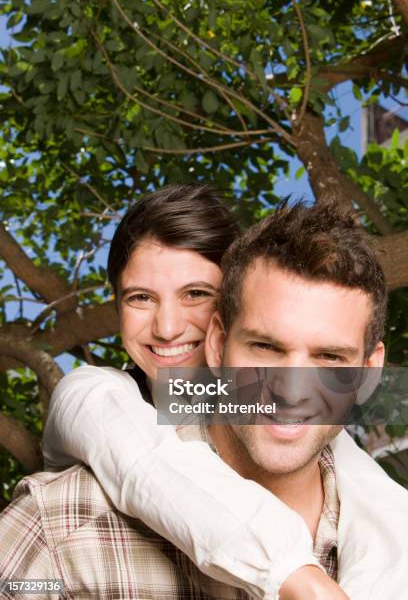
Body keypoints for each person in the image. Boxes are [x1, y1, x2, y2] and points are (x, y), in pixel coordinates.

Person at [0, 188, 401, 597]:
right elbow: (138, 459)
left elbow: (377, 500)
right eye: (140, 297)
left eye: (195, 294)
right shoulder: (95, 414)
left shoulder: (356, 485)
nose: (168, 327)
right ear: (221, 337)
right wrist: (295, 574)